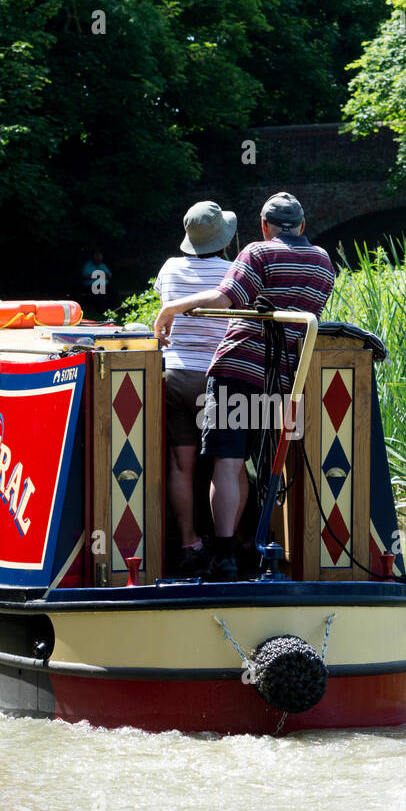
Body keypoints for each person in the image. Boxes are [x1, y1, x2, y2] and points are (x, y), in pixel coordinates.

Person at [153, 192, 334, 580]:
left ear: (264, 227)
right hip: (283, 378)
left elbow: (224, 296)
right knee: (263, 464)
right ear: (302, 226)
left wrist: (172, 307)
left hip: (237, 370)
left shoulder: (258, 252)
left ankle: (224, 555)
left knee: (228, 462)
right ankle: (262, 549)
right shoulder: (323, 262)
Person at [154, 201, 238, 576]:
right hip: (217, 377)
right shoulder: (233, 272)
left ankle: (189, 542)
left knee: (181, 464)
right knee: (230, 464)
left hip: (175, 376)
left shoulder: (170, 268)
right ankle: (233, 545)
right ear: (223, 238)